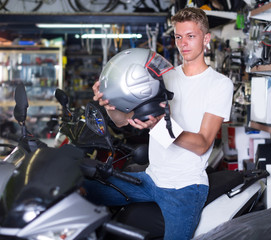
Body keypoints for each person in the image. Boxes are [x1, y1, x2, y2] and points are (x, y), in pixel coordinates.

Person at [86, 7, 233, 239]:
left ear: (206, 39)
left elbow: (203, 144)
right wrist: (108, 103)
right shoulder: (163, 75)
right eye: (178, 36)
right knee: (80, 191)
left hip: (185, 188)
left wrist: (157, 126)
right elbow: (123, 121)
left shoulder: (219, 84)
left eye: (191, 36)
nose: (183, 43)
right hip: (151, 178)